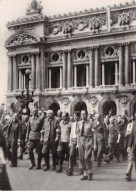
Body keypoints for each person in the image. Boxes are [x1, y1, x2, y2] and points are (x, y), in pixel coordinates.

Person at [77, 110, 94, 181]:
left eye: (84, 114)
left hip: (88, 139)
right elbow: (78, 133)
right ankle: (85, 174)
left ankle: (90, 172)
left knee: (87, 157)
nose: (83, 115)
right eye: (81, 114)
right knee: (81, 158)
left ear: (87, 115)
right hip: (81, 140)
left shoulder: (90, 123)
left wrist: (94, 143)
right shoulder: (79, 123)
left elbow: (94, 133)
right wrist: (78, 143)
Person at [66, 111, 80, 176]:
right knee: (71, 154)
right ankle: (70, 169)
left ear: (79, 117)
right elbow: (71, 133)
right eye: (74, 116)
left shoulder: (80, 123)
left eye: (76, 116)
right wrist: (70, 142)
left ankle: (82, 169)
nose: (75, 117)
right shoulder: (73, 124)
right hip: (73, 140)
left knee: (80, 156)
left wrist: (78, 143)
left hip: (79, 140)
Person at [125, 113, 136, 181]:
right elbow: (131, 136)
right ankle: (128, 174)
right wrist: (129, 146)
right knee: (131, 159)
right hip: (134, 145)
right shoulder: (134, 124)